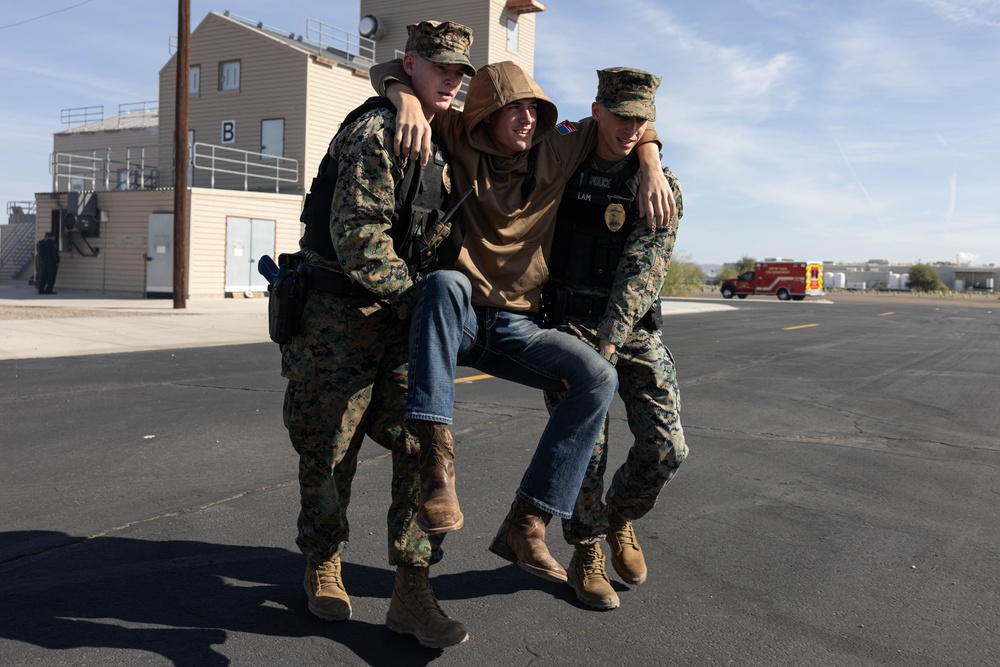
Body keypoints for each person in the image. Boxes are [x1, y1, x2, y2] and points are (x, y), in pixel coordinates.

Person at [369, 59, 677, 583]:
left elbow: (628, 122)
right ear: (486, 114)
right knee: (444, 284)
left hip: (518, 324)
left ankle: (528, 521)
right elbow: (385, 70)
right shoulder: (454, 131)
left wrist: (650, 160)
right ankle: (437, 469)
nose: (527, 120)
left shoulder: (557, 147)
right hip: (462, 318)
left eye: (535, 109)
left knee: (598, 380)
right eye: (514, 110)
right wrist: (402, 98)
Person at [281, 21, 475, 648]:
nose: (451, 78)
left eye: (459, 71)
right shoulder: (376, 132)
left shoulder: (438, 137)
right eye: (440, 67)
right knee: (330, 456)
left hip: (399, 324)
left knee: (422, 450)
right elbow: (358, 239)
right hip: (339, 324)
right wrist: (422, 299)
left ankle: (412, 589)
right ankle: (323, 560)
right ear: (410, 64)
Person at [541, 67, 688, 610]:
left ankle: (619, 516)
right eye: (621, 115)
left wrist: (610, 342)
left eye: (641, 120)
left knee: (666, 447)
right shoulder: (560, 156)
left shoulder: (660, 184)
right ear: (597, 110)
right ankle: (585, 551)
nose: (630, 128)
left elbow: (643, 271)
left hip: (630, 328)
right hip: (567, 323)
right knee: (589, 451)